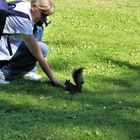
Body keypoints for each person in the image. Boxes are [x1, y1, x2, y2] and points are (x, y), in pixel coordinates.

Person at [0, 0, 64, 87]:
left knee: (38, 28)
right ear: (34, 7)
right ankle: (4, 73)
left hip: (6, 40)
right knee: (42, 49)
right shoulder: (22, 20)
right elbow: (38, 55)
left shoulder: (23, 4)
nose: (44, 19)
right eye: (43, 15)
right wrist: (54, 79)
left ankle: (28, 69)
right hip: (3, 48)